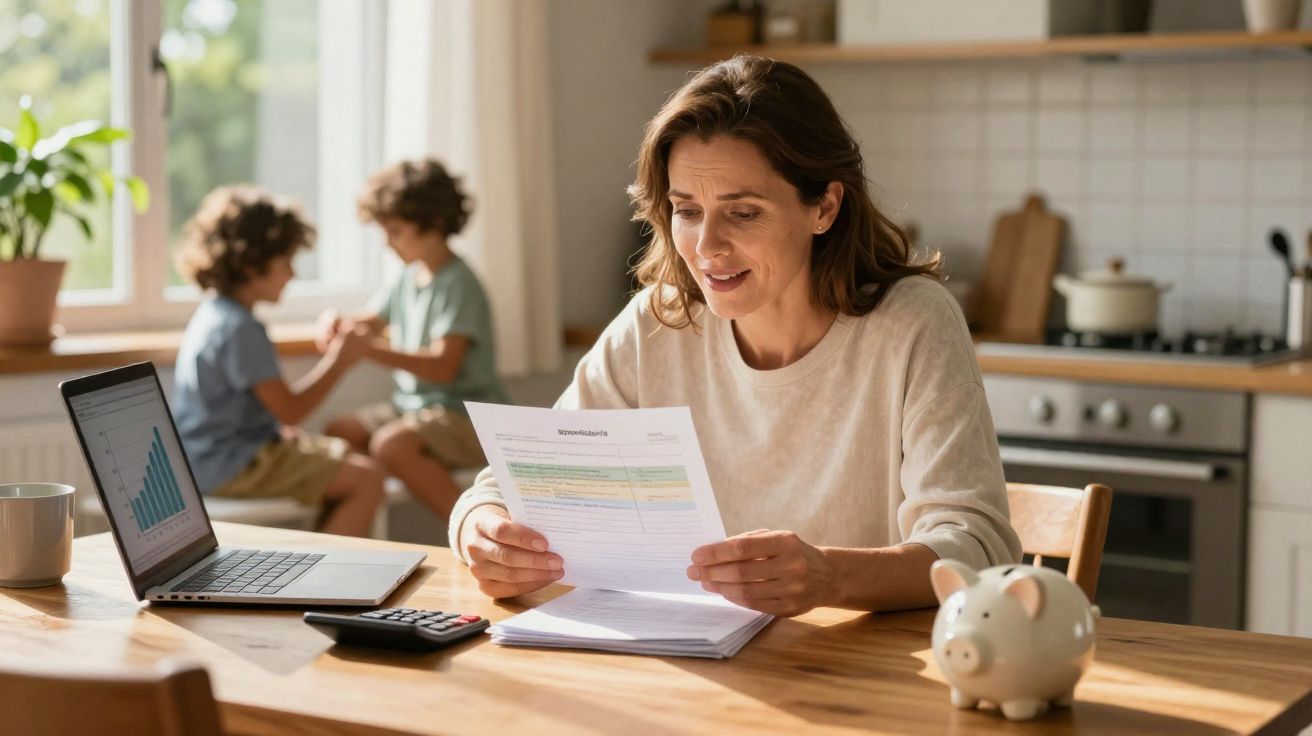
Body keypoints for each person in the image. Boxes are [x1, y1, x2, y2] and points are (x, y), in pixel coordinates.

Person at [447, 55, 1022, 617]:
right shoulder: (658, 322)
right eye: (687, 210)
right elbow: (517, 484)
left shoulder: (913, 324)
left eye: (743, 213)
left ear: (824, 205)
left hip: (860, 679)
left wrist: (829, 577)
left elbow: (977, 547)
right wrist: (482, 529)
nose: (706, 247)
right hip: (691, 671)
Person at [173, 186, 385, 537]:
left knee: (345, 456)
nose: (292, 274)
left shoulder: (215, 314)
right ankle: (332, 585)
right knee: (368, 480)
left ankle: (321, 567)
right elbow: (290, 410)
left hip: (206, 459)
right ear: (252, 264)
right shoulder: (241, 328)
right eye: (286, 262)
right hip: (232, 464)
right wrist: (340, 361)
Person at [320, 158, 510, 519]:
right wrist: (335, 322)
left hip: (466, 415)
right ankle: (355, 540)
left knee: (392, 445)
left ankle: (477, 529)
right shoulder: (407, 277)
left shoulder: (459, 283)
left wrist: (370, 351)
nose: (387, 243)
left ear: (434, 224)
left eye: (395, 231)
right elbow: (368, 323)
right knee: (339, 432)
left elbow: (443, 367)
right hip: (415, 406)